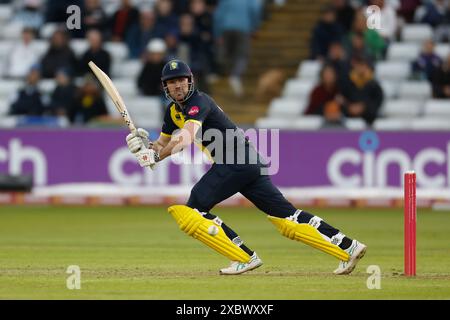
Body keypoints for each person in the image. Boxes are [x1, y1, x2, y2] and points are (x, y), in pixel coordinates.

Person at [125, 59, 367, 275]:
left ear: (190, 82)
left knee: (193, 210)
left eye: (181, 81)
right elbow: (163, 145)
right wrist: (144, 148)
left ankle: (244, 257)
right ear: (165, 87)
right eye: (172, 82)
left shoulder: (200, 101)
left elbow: (186, 138)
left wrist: (156, 157)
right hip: (248, 163)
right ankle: (348, 246)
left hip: (236, 161)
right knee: (286, 217)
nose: (178, 86)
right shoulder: (172, 112)